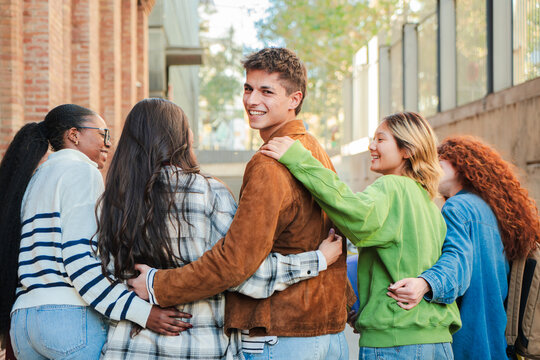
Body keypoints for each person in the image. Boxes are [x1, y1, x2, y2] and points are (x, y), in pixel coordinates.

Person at [128, 48, 353, 360]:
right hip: (327, 333)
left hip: (282, 333)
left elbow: (235, 263)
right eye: (248, 88)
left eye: (266, 91)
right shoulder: (313, 149)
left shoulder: (269, 163)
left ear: (294, 99)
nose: (251, 100)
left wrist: (158, 284)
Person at [261, 111, 462, 359]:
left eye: (380, 139)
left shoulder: (392, 186)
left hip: (396, 342)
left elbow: (355, 214)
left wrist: (299, 159)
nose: (371, 146)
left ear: (407, 150)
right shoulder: (430, 205)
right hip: (438, 342)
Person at [0, 104, 187, 360]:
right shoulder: (81, 170)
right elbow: (80, 263)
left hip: (23, 324)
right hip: (67, 321)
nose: (108, 144)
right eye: (103, 134)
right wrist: (143, 314)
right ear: (74, 135)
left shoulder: (35, 178)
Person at [386, 136, 540, 359]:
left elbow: (456, 263)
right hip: (496, 339)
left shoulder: (456, 208)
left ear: (461, 164)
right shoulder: (491, 211)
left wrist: (425, 283)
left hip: (466, 338)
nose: (431, 167)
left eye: (438, 161)